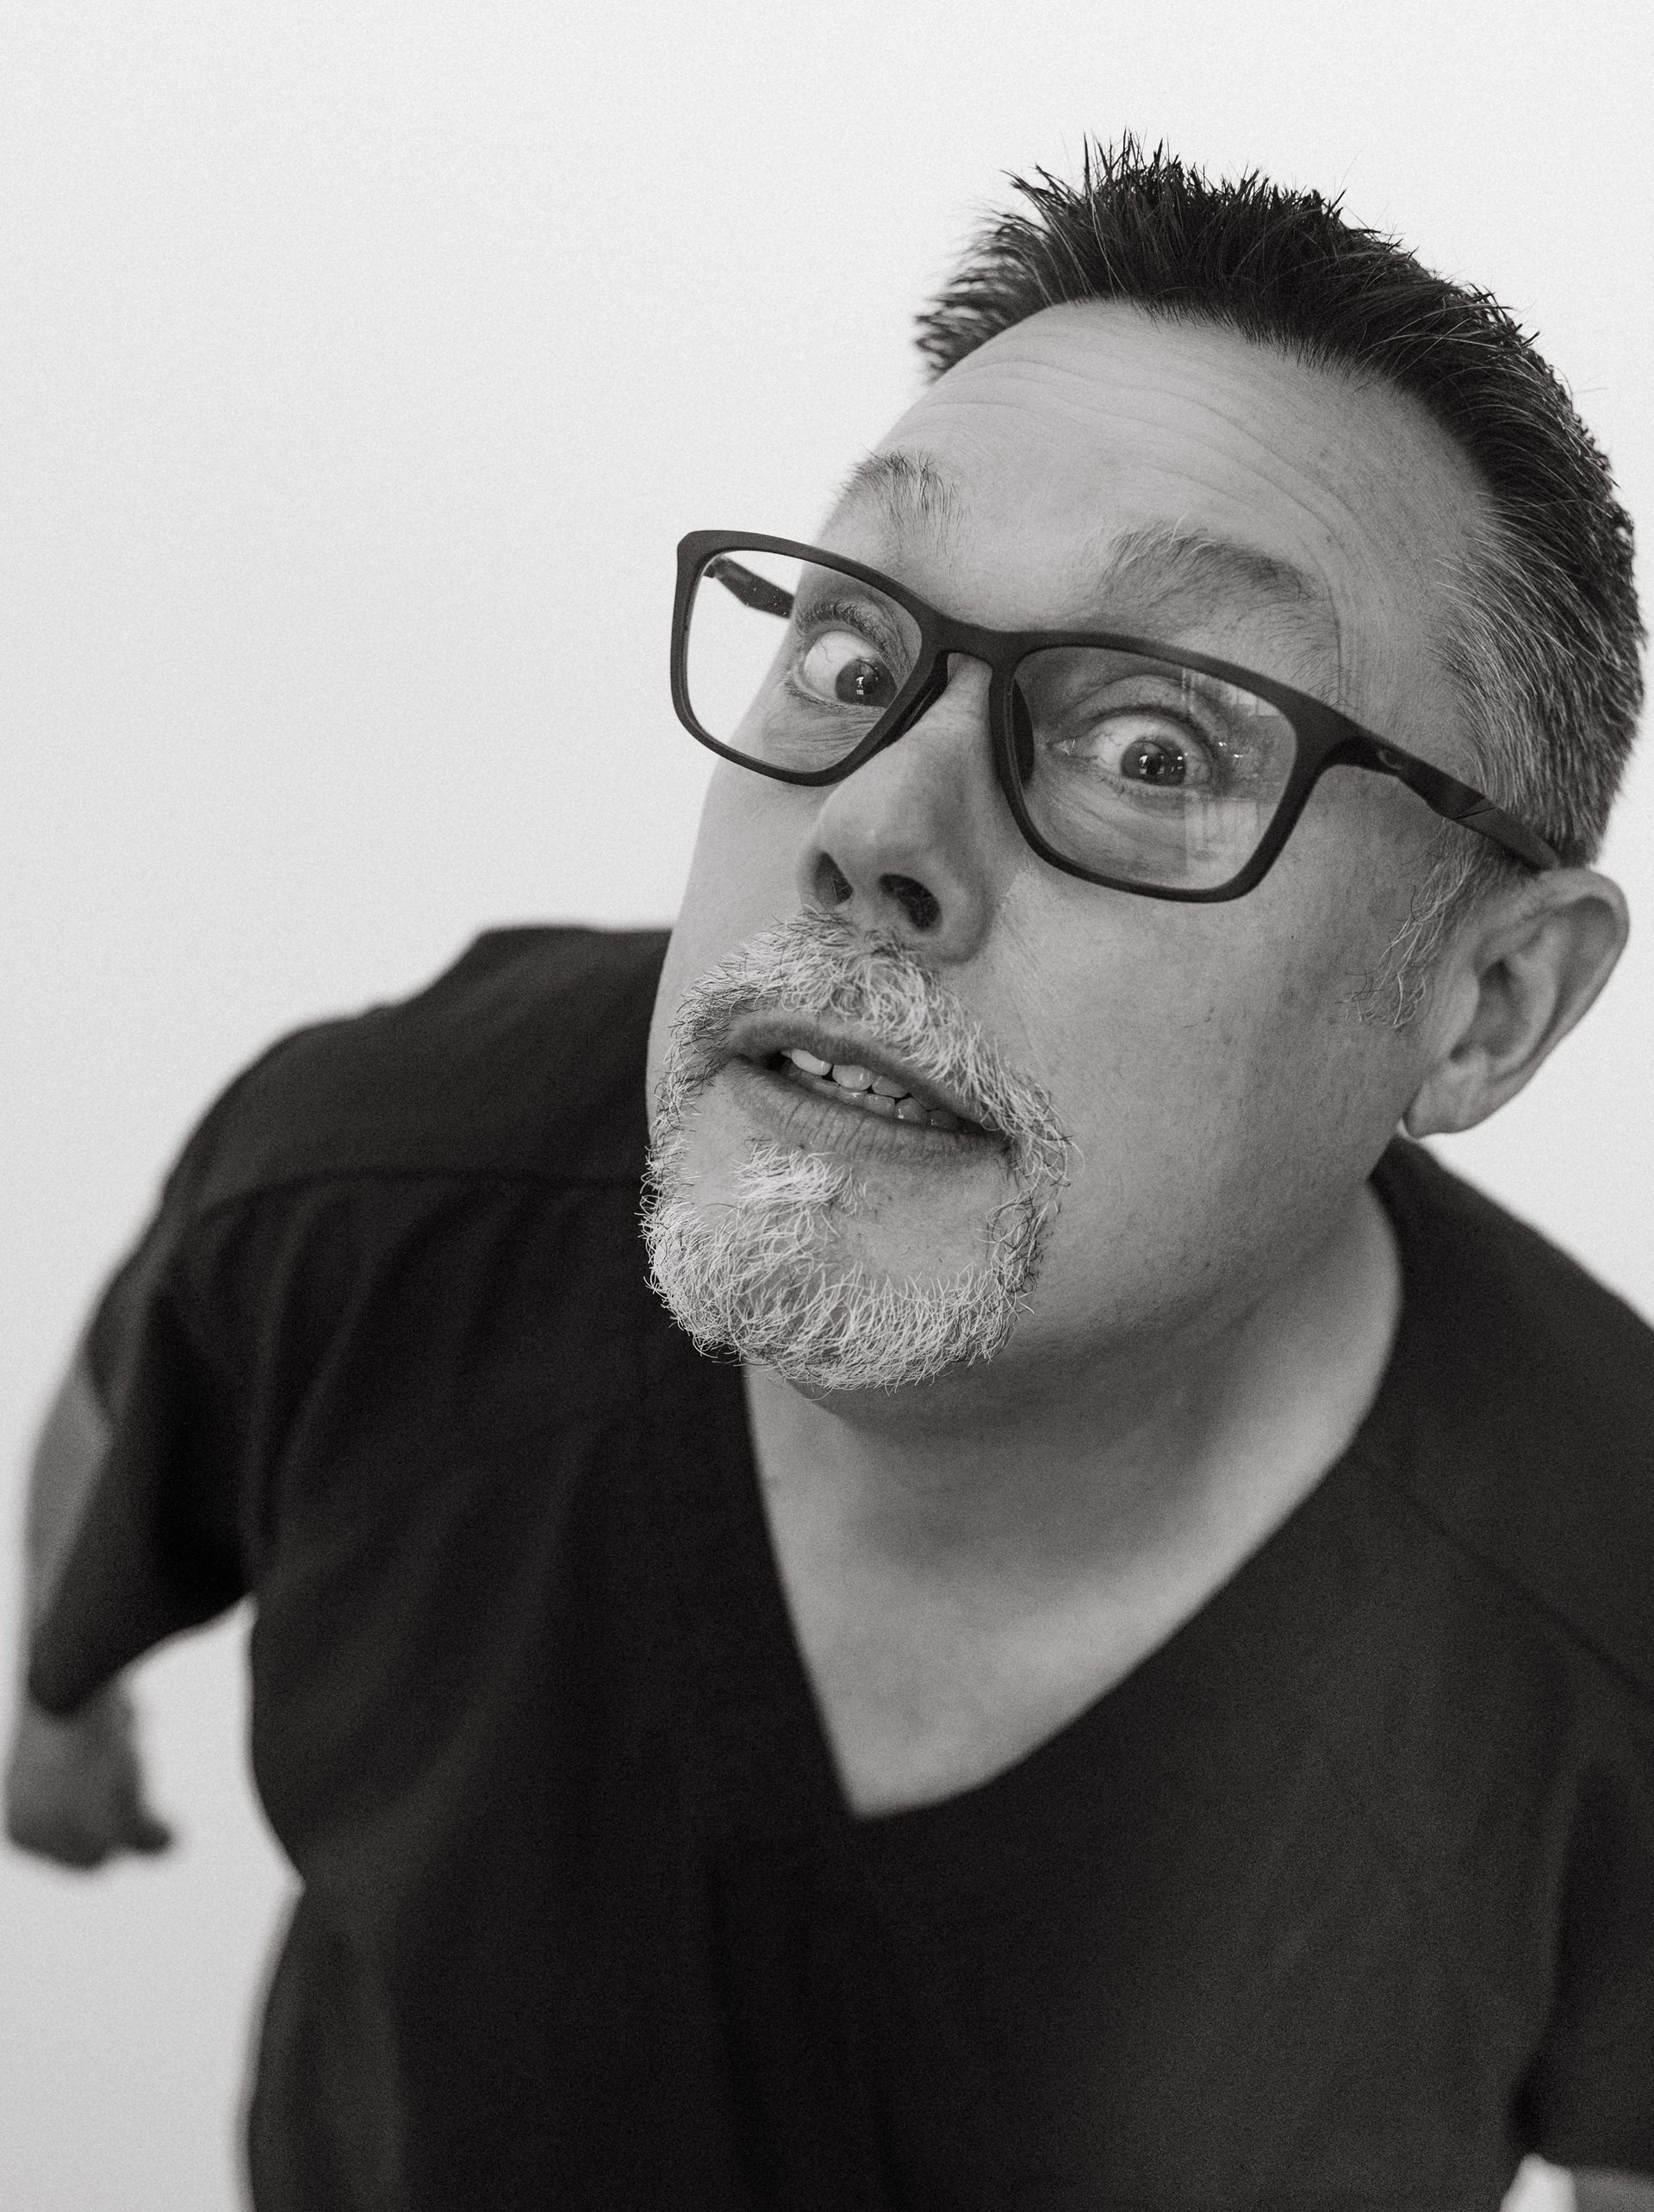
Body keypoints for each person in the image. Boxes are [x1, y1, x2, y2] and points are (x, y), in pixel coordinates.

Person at [8, 140, 1654, 2211]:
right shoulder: (370, 1178)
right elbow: (139, 1395)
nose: (875, 825)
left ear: (1487, 1005)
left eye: (1159, 749)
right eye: (857, 660)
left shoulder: (1610, 1602)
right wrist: (54, 1703)